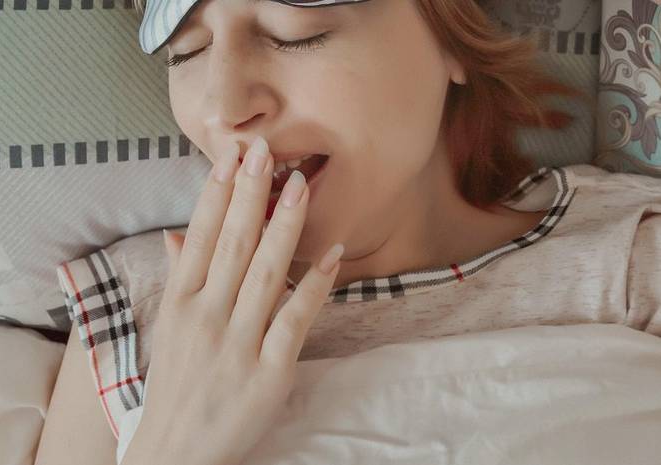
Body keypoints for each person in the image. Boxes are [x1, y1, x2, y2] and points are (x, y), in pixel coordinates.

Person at [34, 1, 661, 465]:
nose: (224, 108)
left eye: (296, 31)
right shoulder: (138, 310)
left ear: (451, 40)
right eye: (186, 50)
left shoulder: (629, 258)